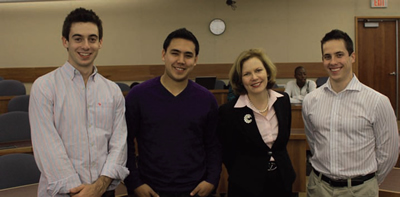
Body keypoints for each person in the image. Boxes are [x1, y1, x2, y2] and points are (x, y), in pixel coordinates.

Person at [29, 8, 129, 197]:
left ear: (100, 43)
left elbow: (119, 144)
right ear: (65, 41)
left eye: (92, 39)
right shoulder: (44, 87)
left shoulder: (112, 90)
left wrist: (98, 188)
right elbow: (47, 148)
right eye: (78, 38)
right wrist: (80, 191)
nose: (85, 46)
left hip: (104, 191)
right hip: (60, 192)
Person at [124, 28, 222, 197]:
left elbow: (214, 145)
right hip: (150, 190)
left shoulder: (207, 99)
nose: (181, 60)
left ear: (195, 60)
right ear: (164, 54)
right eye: (175, 53)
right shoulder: (138, 96)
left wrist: (212, 180)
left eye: (188, 55)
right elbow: (125, 143)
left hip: (196, 190)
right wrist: (135, 183)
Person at [302, 29, 399, 197]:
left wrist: (367, 183)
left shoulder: (377, 101)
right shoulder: (311, 100)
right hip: (318, 188)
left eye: (339, 55)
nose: (333, 62)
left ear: (352, 57)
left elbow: (389, 151)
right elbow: (314, 141)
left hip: (359, 190)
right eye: (327, 56)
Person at [217, 48, 296, 197]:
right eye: (247, 74)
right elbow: (227, 154)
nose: (254, 77)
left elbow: (282, 143)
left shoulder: (283, 101)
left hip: (282, 180)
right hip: (246, 186)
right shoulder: (229, 112)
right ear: (240, 79)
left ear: (267, 72)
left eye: (258, 70)